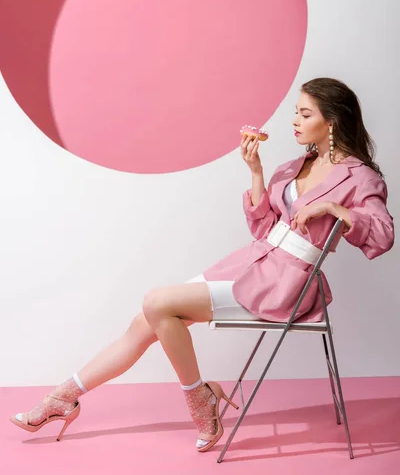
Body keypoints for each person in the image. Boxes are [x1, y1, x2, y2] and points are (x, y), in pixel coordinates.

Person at [10, 77, 394, 452]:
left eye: (304, 113)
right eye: (296, 111)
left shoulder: (359, 177)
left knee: (157, 303)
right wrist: (256, 172)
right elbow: (263, 227)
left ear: (332, 121)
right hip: (253, 265)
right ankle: (62, 399)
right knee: (144, 322)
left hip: (287, 283)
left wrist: (335, 208)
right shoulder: (295, 166)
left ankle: (200, 401)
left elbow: (382, 236)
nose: (294, 120)